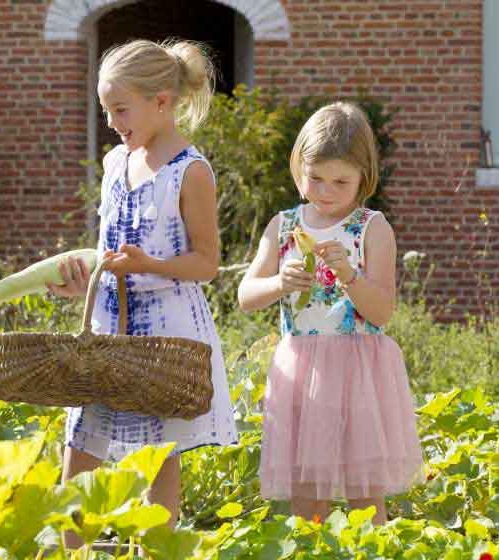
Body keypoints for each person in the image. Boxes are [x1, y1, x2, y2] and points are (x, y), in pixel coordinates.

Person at [49, 39, 238, 546]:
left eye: (120, 108)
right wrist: (82, 281)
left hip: (165, 333)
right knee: (81, 444)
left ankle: (158, 551)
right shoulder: (116, 164)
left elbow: (206, 263)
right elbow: (106, 252)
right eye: (105, 109)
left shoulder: (190, 172)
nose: (112, 121)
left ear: (162, 101)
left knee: (158, 455)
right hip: (106, 325)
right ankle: (74, 554)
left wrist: (147, 265)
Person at [238, 102, 425, 524]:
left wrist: (348, 275)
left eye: (341, 181)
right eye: (315, 178)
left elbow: (382, 312)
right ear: (298, 167)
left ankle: (371, 551)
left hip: (360, 371)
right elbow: (246, 295)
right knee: (307, 494)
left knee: (364, 492)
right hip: (302, 374)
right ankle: (310, 550)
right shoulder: (284, 227)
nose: (325, 191)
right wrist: (279, 284)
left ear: (364, 178)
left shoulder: (371, 228)